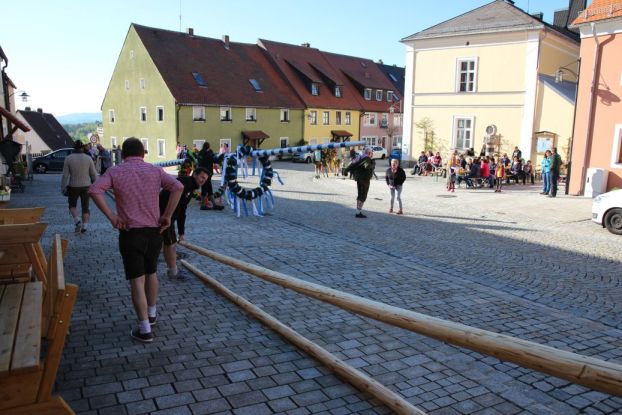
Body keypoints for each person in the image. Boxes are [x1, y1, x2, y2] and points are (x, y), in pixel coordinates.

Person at [89, 138, 183, 343]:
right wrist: (167, 215)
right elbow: (178, 187)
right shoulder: (155, 170)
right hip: (154, 231)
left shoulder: (115, 171)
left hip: (130, 233)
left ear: (123, 154)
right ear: (143, 153)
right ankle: (152, 314)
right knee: (151, 273)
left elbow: (94, 190)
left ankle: (144, 329)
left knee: (137, 280)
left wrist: (112, 216)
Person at [160, 167, 210, 280]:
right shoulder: (186, 184)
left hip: (167, 216)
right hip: (164, 215)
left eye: (205, 179)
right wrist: (167, 218)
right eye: (202, 177)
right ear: (195, 174)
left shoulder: (191, 186)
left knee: (170, 243)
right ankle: (173, 272)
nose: (203, 180)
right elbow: (178, 208)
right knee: (170, 244)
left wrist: (181, 232)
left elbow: (182, 210)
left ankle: (173, 269)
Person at [61, 140, 97, 233]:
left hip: (73, 186)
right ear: (82, 148)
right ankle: (85, 226)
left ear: (74, 148)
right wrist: (95, 184)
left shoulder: (68, 158)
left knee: (72, 205)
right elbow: (93, 174)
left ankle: (77, 220)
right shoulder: (88, 158)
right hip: (87, 186)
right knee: (85, 207)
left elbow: (65, 175)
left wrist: (63, 187)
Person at [344, 147, 376, 218]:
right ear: (369, 153)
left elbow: (352, 164)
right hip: (364, 179)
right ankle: (358, 212)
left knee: (360, 194)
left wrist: (346, 170)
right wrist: (373, 163)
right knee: (363, 195)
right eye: (372, 153)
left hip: (359, 179)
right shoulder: (367, 158)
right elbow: (367, 166)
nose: (372, 154)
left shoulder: (360, 157)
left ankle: (358, 211)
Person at [197, 142, 217, 210]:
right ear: (208, 147)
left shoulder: (200, 153)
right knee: (205, 189)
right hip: (206, 174)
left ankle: (214, 204)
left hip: (202, 173)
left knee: (208, 189)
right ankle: (203, 206)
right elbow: (215, 160)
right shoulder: (207, 154)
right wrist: (212, 153)